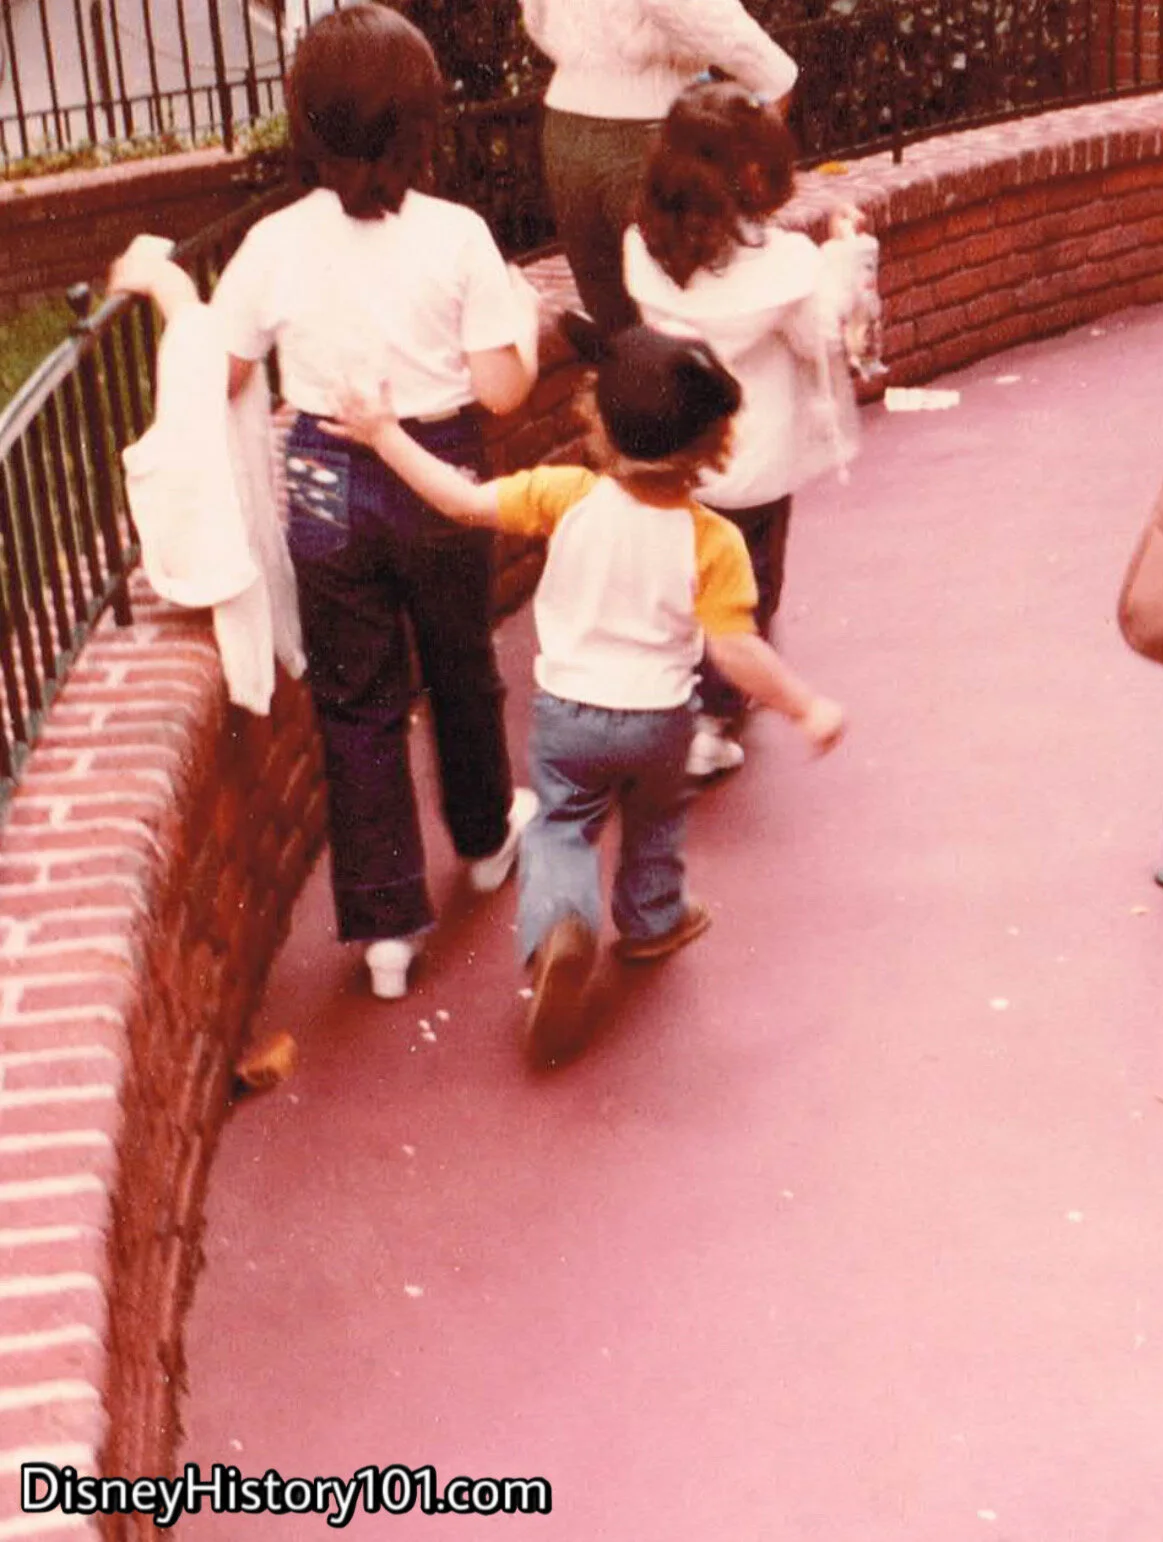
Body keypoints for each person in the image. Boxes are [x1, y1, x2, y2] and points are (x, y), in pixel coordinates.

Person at [116, 5, 541, 1001]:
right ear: (423, 121)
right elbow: (502, 390)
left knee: (355, 703)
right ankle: (483, 839)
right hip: (434, 468)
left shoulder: (273, 243)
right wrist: (513, 319)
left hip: (322, 480)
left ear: (306, 123)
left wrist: (169, 291)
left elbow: (217, 371)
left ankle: (387, 926)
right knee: (459, 663)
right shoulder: (459, 237)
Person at [321, 319, 846, 1067]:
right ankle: (652, 917)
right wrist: (805, 705)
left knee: (561, 829)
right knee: (656, 821)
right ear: (715, 447)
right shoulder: (713, 541)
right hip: (660, 721)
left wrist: (383, 436)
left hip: (570, 716)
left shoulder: (564, 495)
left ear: (598, 421)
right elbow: (736, 649)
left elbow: (461, 503)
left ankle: (562, 930)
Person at [624, 79, 862, 778]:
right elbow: (818, 332)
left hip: (677, 444)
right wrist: (843, 258)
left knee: (686, 575)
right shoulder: (784, 267)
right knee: (747, 585)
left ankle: (686, 690)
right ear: (751, 174)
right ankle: (716, 712)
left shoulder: (646, 248)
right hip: (751, 455)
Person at [520, 0, 798, 334]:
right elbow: (760, 62)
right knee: (697, 322)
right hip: (647, 137)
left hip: (566, 131)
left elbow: (537, 21)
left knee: (620, 330)